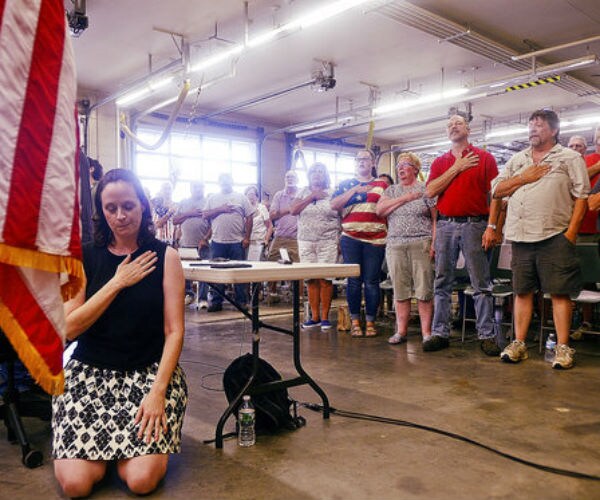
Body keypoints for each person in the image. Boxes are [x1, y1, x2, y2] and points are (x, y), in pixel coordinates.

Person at [52, 169, 187, 497]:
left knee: (140, 481)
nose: (121, 215)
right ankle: (107, 448)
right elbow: (70, 328)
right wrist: (116, 282)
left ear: (142, 205)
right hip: (89, 376)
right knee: (75, 485)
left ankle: (124, 448)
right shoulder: (83, 257)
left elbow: (174, 331)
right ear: (101, 212)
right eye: (111, 208)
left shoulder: (165, 256)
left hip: (148, 375)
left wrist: (158, 392)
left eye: (128, 205)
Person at [493, 109, 589, 370]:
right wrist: (523, 177)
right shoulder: (518, 160)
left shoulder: (569, 158)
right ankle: (519, 344)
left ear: (554, 130)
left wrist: (570, 233)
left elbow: (582, 197)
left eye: (539, 126)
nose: (533, 130)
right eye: (531, 125)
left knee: (559, 293)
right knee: (522, 292)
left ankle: (563, 347)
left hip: (555, 235)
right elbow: (496, 190)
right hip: (520, 237)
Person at [425, 114, 504, 355]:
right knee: (442, 281)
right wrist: (457, 168)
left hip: (474, 225)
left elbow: (497, 196)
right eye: (449, 125)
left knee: (481, 283)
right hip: (446, 225)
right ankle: (440, 332)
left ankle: (487, 335)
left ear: (468, 129)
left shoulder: (485, 158)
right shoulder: (440, 162)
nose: (453, 127)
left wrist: (493, 227)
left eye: (458, 123)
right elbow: (430, 191)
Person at [376, 152, 436, 345]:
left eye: (406, 165)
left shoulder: (426, 189)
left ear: (416, 169)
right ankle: (401, 331)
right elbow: (380, 211)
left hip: (421, 243)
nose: (401, 168)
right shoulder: (391, 190)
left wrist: (434, 243)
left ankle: (426, 332)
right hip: (395, 244)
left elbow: (436, 219)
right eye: (399, 166)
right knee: (400, 290)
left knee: (423, 289)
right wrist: (406, 197)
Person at [331, 149, 388, 337]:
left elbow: (388, 208)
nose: (361, 162)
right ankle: (355, 320)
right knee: (353, 281)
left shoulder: (382, 184)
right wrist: (354, 190)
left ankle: (371, 321)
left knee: (372, 281)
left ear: (372, 163)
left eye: (365, 159)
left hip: (376, 239)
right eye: (358, 160)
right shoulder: (345, 184)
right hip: (351, 238)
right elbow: (334, 205)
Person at [290, 162, 341, 330]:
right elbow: (293, 210)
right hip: (305, 240)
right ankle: (315, 316)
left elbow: (341, 215)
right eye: (313, 171)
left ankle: (325, 317)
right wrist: (311, 197)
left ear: (325, 175)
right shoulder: (303, 192)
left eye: (320, 171)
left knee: (325, 278)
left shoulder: (333, 193)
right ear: (309, 175)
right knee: (311, 278)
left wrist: (339, 238)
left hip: (327, 240)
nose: (317, 174)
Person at [203, 173, 254, 311]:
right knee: (217, 274)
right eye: (222, 180)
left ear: (232, 181)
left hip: (237, 242)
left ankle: (241, 302)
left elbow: (249, 217)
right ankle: (215, 301)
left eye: (227, 179)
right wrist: (220, 209)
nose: (225, 182)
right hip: (217, 242)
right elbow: (205, 214)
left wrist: (247, 237)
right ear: (219, 182)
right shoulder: (213, 198)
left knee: (238, 273)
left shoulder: (241, 198)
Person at [173, 181, 211, 306]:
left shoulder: (208, 202)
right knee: (185, 272)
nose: (198, 189)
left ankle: (203, 299)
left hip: (203, 244)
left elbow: (213, 224)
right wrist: (190, 213)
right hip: (186, 243)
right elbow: (175, 220)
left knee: (204, 272)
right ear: (191, 188)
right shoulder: (183, 203)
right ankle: (189, 294)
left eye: (200, 186)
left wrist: (205, 238)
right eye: (195, 186)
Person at [267, 170, 300, 301]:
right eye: (287, 176)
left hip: (296, 237)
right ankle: (272, 293)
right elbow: (272, 215)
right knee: (271, 262)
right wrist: (289, 209)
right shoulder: (279, 195)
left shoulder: (301, 195)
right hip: (280, 235)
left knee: (298, 266)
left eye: (292, 177)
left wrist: (285, 211)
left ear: (297, 179)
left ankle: (299, 296)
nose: (289, 179)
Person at [245, 185, 273, 261]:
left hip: (260, 242)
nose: (251, 196)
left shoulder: (262, 208)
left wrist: (266, 240)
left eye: (253, 194)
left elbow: (270, 227)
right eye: (249, 194)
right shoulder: (243, 209)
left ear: (257, 196)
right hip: (246, 243)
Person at [153, 181, 178, 246]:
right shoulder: (156, 207)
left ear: (172, 190)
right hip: (158, 241)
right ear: (161, 191)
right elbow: (157, 225)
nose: (167, 191)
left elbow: (178, 227)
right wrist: (169, 213)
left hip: (171, 241)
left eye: (169, 188)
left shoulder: (176, 206)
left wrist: (176, 242)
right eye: (165, 188)